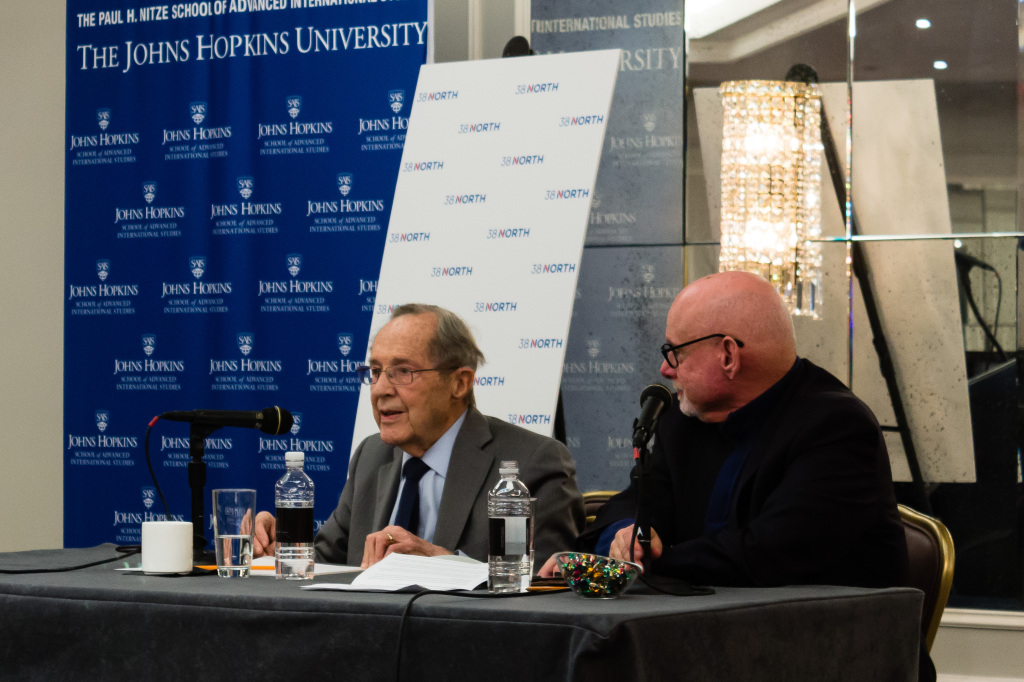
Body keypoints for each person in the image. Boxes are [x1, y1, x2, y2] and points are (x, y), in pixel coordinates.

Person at [540, 270, 934, 680]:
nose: (665, 368)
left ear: (728, 355)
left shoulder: (836, 427)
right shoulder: (683, 422)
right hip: (708, 648)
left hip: (828, 658)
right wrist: (628, 535)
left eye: (676, 352)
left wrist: (653, 559)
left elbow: (768, 555)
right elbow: (636, 502)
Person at [254, 303, 584, 569]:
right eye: (376, 371)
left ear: (459, 383)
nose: (381, 389)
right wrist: (279, 550)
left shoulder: (530, 464)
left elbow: (544, 585)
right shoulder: (371, 455)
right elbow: (327, 563)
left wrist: (440, 565)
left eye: (402, 372)